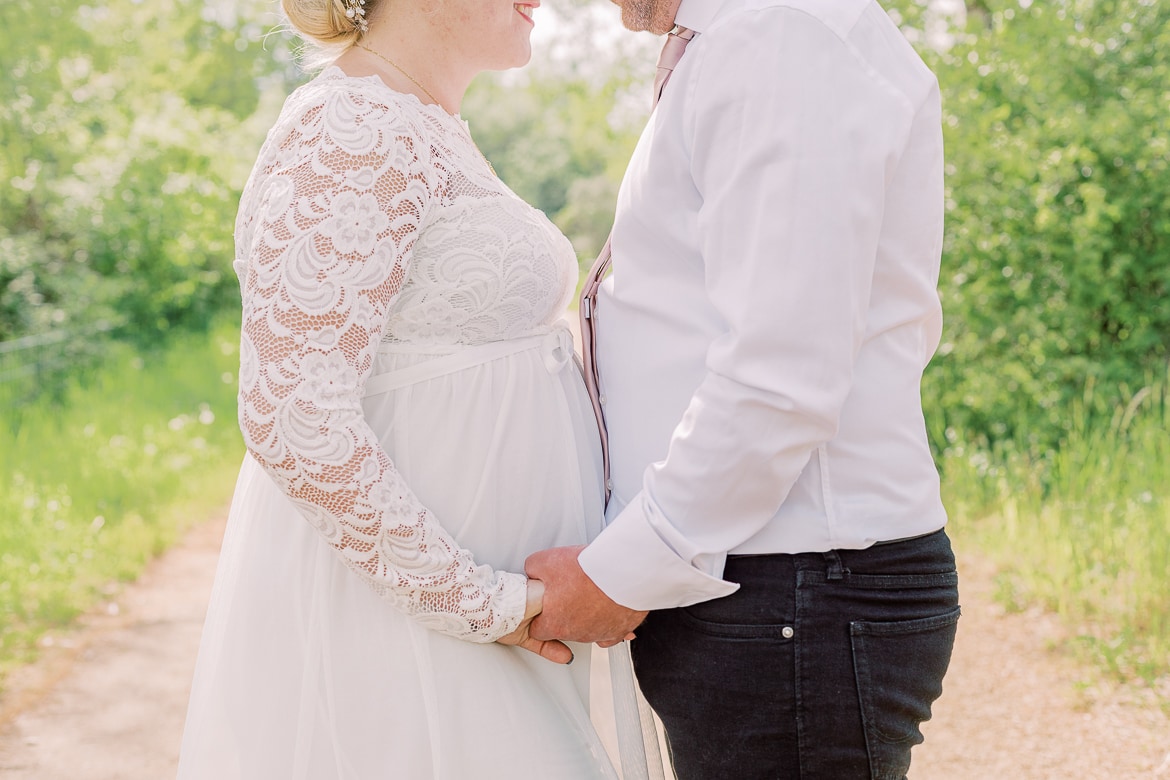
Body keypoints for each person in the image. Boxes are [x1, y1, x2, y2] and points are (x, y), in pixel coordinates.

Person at [177, 0, 628, 777]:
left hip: (470, 621)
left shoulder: (421, 120)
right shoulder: (349, 124)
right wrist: (476, 601)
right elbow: (292, 411)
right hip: (411, 628)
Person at [526, 0, 962, 777]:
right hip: (769, 578)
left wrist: (625, 571)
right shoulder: (755, 38)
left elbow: (780, 371)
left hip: (794, 586)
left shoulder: (783, 35)